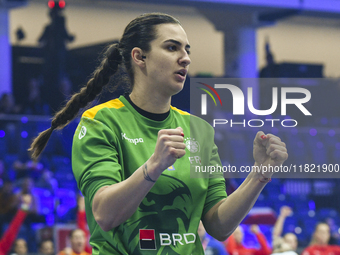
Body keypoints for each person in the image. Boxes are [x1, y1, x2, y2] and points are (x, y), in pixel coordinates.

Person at [29, 13, 288, 254]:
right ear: (140, 57)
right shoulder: (101, 122)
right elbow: (104, 215)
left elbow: (218, 227)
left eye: (187, 50)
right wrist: (155, 165)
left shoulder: (200, 130)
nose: (185, 57)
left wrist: (259, 174)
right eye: (172, 47)